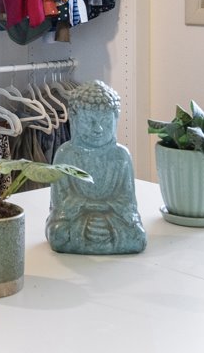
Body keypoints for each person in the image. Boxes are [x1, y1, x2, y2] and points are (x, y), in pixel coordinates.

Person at [46, 80, 146, 255]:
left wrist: (105, 219)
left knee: (137, 236)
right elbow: (61, 205)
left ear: (116, 118)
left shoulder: (121, 156)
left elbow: (127, 204)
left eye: (106, 121)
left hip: (113, 219)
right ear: (74, 118)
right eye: (89, 121)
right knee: (58, 235)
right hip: (74, 220)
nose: (98, 129)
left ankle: (103, 238)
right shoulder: (65, 154)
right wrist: (86, 216)